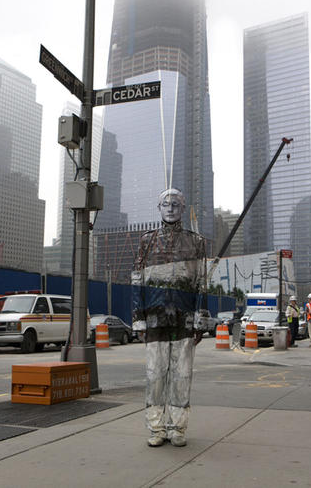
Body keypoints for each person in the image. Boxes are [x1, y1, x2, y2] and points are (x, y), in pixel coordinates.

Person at [131, 188, 207, 448]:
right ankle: (156, 427)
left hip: (184, 319)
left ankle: (178, 428)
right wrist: (138, 318)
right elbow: (137, 280)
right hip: (155, 318)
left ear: (182, 208)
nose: (171, 208)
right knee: (155, 376)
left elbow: (201, 282)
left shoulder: (196, 241)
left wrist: (200, 319)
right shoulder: (147, 240)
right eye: (166, 204)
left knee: (182, 374)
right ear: (159, 207)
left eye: (176, 204)